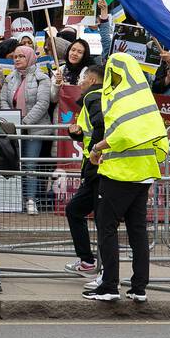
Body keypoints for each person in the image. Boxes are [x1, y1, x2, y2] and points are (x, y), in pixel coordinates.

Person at [83, 52, 169, 302]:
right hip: (144, 175)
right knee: (138, 232)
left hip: (119, 174)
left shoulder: (121, 98)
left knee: (106, 228)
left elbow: (122, 136)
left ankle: (109, 286)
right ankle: (139, 288)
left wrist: (97, 148)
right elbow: (161, 141)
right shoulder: (145, 98)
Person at [0, 44, 52, 213]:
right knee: (13, 163)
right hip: (13, 129)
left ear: (29, 57)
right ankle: (15, 200)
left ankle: (30, 200)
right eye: (15, 56)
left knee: (30, 165)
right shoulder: (9, 78)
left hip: (34, 129)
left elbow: (42, 103)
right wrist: (12, 120)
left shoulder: (41, 78)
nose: (18, 59)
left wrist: (24, 123)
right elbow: (4, 99)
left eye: (21, 56)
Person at [62, 61, 104, 275]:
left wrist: (96, 152)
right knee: (94, 216)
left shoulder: (93, 96)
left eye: (83, 78)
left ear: (93, 80)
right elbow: (92, 130)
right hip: (95, 167)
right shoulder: (96, 98)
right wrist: (76, 133)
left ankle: (94, 264)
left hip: (97, 168)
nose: (80, 82)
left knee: (79, 212)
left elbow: (102, 126)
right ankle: (94, 263)